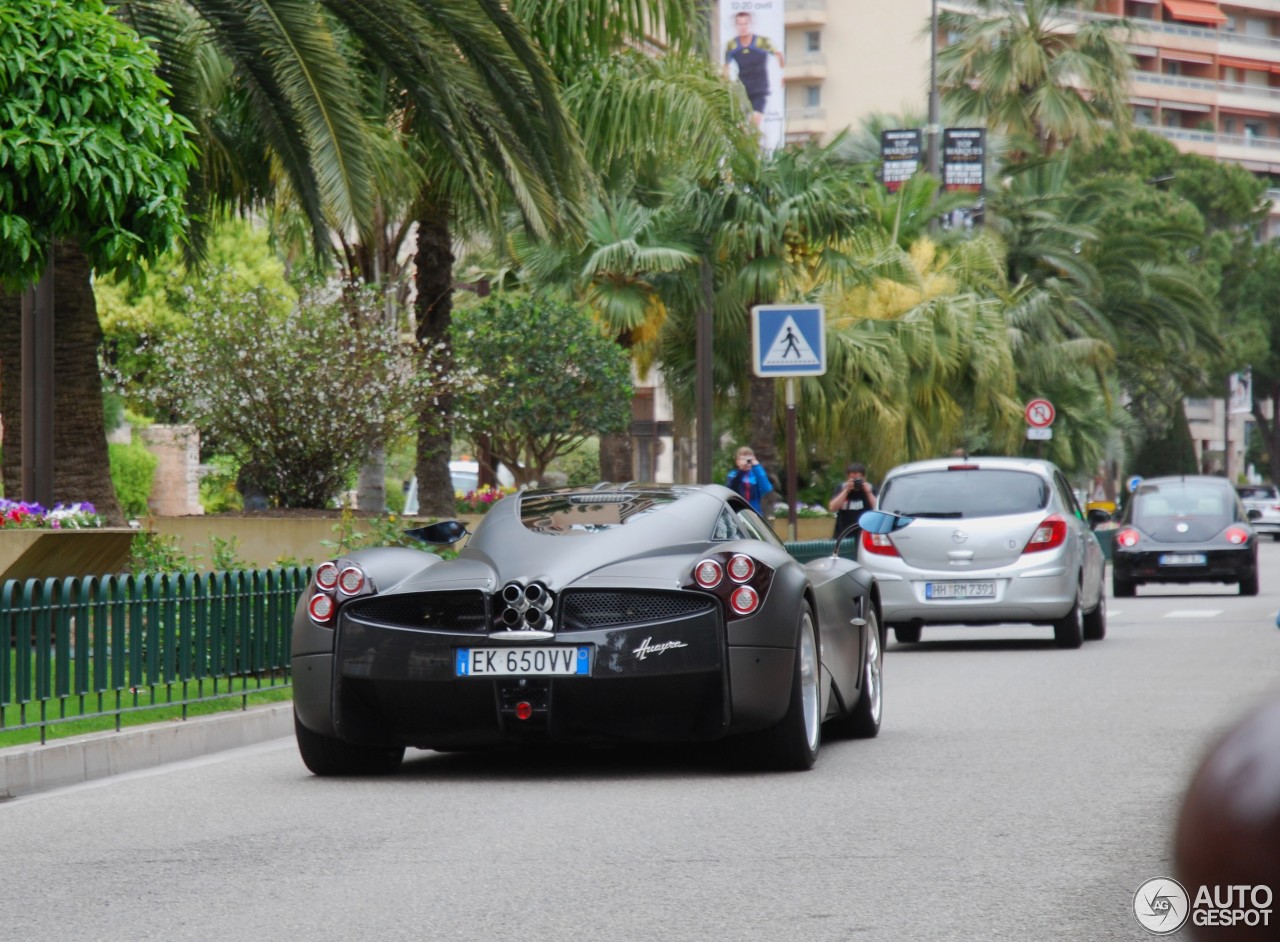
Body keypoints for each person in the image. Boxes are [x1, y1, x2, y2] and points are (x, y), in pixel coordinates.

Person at [723, 11, 784, 131]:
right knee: (742, 126)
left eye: (746, 23)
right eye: (739, 24)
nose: (743, 27)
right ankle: (747, 145)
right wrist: (725, 83)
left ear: (751, 25)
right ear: (736, 26)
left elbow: (778, 55)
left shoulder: (762, 42)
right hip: (741, 90)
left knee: (754, 123)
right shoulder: (732, 45)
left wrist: (783, 74)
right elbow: (726, 66)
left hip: (760, 89)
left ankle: (753, 144)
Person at [829, 462, 877, 539]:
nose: (855, 482)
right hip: (843, 534)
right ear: (847, 478)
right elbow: (832, 508)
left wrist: (868, 493)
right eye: (852, 479)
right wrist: (846, 491)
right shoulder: (841, 488)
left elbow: (878, 509)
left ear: (864, 478)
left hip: (865, 534)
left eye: (858, 479)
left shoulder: (870, 489)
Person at [726, 446, 773, 515]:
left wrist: (756, 466)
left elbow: (767, 488)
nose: (747, 462)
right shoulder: (733, 474)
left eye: (749, 459)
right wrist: (741, 471)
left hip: (755, 513)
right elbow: (731, 487)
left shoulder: (756, 475)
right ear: (737, 461)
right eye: (743, 459)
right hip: (737, 512)